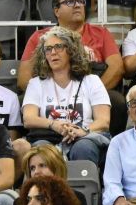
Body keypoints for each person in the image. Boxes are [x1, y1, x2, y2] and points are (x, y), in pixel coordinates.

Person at [22, 26, 112, 166]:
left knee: (83, 147)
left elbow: (104, 121)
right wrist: (54, 125)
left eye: (58, 47)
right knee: (43, 151)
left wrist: (83, 131)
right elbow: (28, 119)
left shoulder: (91, 81)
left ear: (71, 51)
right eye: (48, 49)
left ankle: (86, 187)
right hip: (49, 137)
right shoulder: (36, 84)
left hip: (85, 137)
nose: (53, 52)